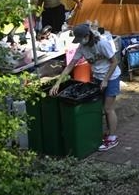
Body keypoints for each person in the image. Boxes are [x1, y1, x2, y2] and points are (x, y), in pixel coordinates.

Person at [49, 23, 121, 151]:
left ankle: (113, 138)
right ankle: (108, 132)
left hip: (111, 77)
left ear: (88, 36)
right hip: (97, 77)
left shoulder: (102, 44)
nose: (80, 42)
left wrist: (105, 80)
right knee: (100, 107)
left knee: (108, 108)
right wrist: (58, 82)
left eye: (81, 38)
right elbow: (71, 65)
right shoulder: (82, 47)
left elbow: (115, 61)